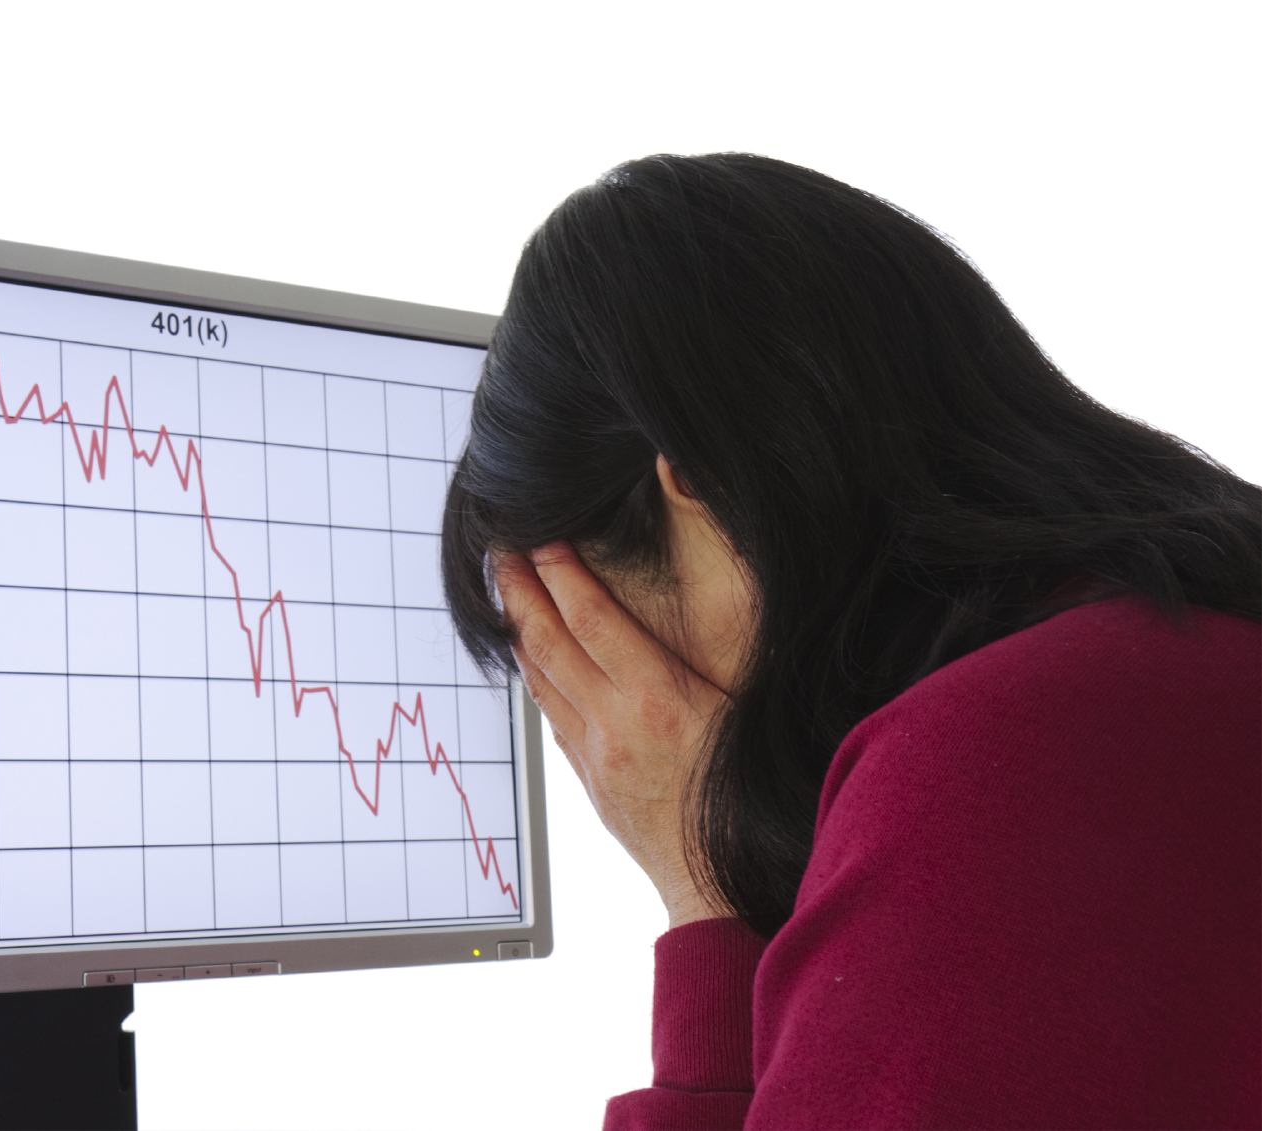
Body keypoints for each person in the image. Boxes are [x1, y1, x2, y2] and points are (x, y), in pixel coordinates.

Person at [441, 154, 1260, 1129]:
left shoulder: (991, 774)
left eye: (574, 647)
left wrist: (705, 896)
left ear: (696, 489)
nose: (601, 733)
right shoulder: (1197, 643)